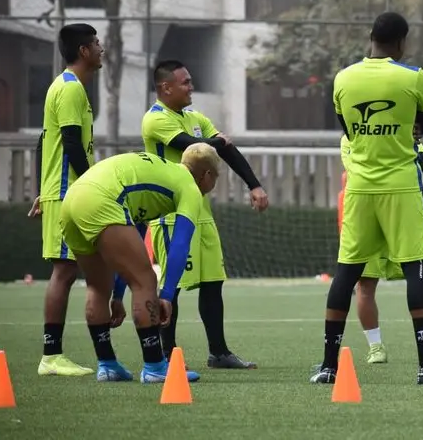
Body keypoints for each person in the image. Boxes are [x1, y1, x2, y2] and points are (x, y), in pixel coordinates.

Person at [310, 11, 423, 385]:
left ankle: (329, 367)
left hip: (360, 187)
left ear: (370, 37)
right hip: (401, 185)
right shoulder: (412, 76)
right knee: (417, 270)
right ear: (402, 42)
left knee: (347, 272)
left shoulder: (343, 78)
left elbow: (347, 128)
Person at [143, 60, 268, 370]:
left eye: (190, 80)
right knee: (173, 288)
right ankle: (167, 356)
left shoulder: (194, 117)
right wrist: (218, 141)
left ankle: (219, 352)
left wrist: (254, 185)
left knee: (213, 282)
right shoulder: (155, 120)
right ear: (165, 88)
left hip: (202, 214)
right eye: (185, 82)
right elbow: (193, 149)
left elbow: (222, 150)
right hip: (171, 216)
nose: (191, 87)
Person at [58, 145, 220, 383]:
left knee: (98, 286)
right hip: (103, 199)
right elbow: (180, 244)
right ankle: (155, 366)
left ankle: (108, 365)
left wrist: (117, 296)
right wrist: (166, 295)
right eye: (216, 177)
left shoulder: (162, 175)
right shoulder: (190, 188)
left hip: (72, 200)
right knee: (146, 280)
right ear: (206, 175)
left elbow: (134, 238)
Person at [341, 126, 423, 366]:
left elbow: (419, 160)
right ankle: (375, 347)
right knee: (365, 283)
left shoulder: (405, 131)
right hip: (370, 217)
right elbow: (355, 169)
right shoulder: (351, 136)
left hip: (403, 213)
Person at [28, 23, 103, 377]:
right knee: (64, 270)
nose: (102, 48)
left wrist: (38, 190)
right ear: (85, 51)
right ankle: (50, 356)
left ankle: (57, 354)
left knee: (72, 269)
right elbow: (70, 144)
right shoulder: (70, 89)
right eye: (97, 43)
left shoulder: (67, 87)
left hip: (61, 191)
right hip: (67, 192)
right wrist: (92, 184)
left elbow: (45, 142)